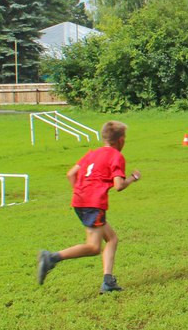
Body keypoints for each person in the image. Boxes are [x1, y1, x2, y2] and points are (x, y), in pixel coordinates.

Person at [37, 120, 141, 294]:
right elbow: (119, 185)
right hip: (93, 204)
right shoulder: (116, 156)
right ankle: (52, 258)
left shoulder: (92, 154)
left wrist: (80, 193)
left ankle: (108, 281)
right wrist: (133, 178)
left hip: (81, 202)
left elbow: (71, 173)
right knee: (93, 247)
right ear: (121, 140)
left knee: (112, 239)